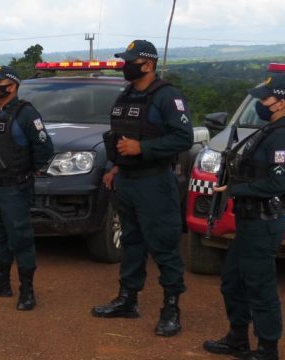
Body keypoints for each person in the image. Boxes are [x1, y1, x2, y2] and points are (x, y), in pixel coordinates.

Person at [204, 72, 285, 360]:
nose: (261, 102)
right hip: (250, 222)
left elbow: (279, 183)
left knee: (259, 287)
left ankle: (267, 349)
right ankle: (237, 339)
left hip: (262, 223)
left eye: (265, 98)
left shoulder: (282, 138)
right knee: (233, 281)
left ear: (280, 103)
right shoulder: (270, 131)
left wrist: (237, 188)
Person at [91, 40, 193, 336]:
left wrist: (143, 148)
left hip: (154, 182)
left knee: (164, 246)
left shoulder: (167, 96)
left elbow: (183, 138)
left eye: (131, 60)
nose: (126, 65)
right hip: (127, 181)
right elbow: (123, 137)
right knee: (132, 242)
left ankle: (171, 309)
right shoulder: (126, 95)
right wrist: (117, 166)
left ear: (148, 64)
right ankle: (127, 300)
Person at [0, 65, 53, 311]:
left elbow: (44, 148)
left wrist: (32, 169)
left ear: (13, 86)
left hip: (14, 189)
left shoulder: (26, 114)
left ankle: (27, 290)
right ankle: (2, 282)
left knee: (21, 239)